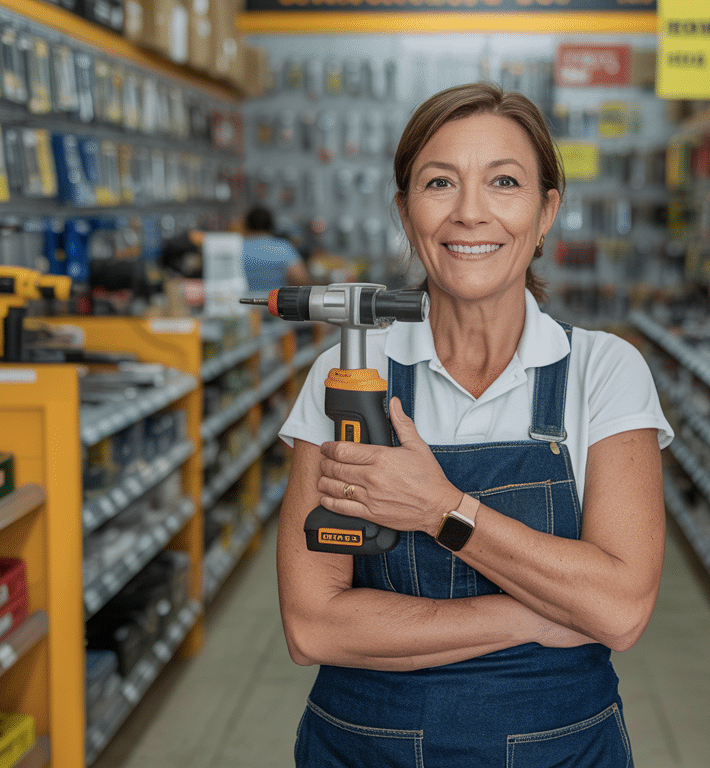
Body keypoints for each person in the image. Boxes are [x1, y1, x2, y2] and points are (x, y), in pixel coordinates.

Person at [276, 82, 673, 767]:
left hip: (563, 749)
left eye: (505, 182)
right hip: (363, 749)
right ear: (406, 213)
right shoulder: (347, 379)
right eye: (439, 183)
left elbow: (619, 610)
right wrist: (536, 615)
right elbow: (314, 627)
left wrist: (441, 510)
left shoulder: (604, 373)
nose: (470, 213)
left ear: (547, 211)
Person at [241, 205, 312, 290]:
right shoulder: (283, 248)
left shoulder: (237, 248)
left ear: (246, 225)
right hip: (274, 301)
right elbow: (301, 280)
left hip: (241, 301)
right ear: (271, 224)